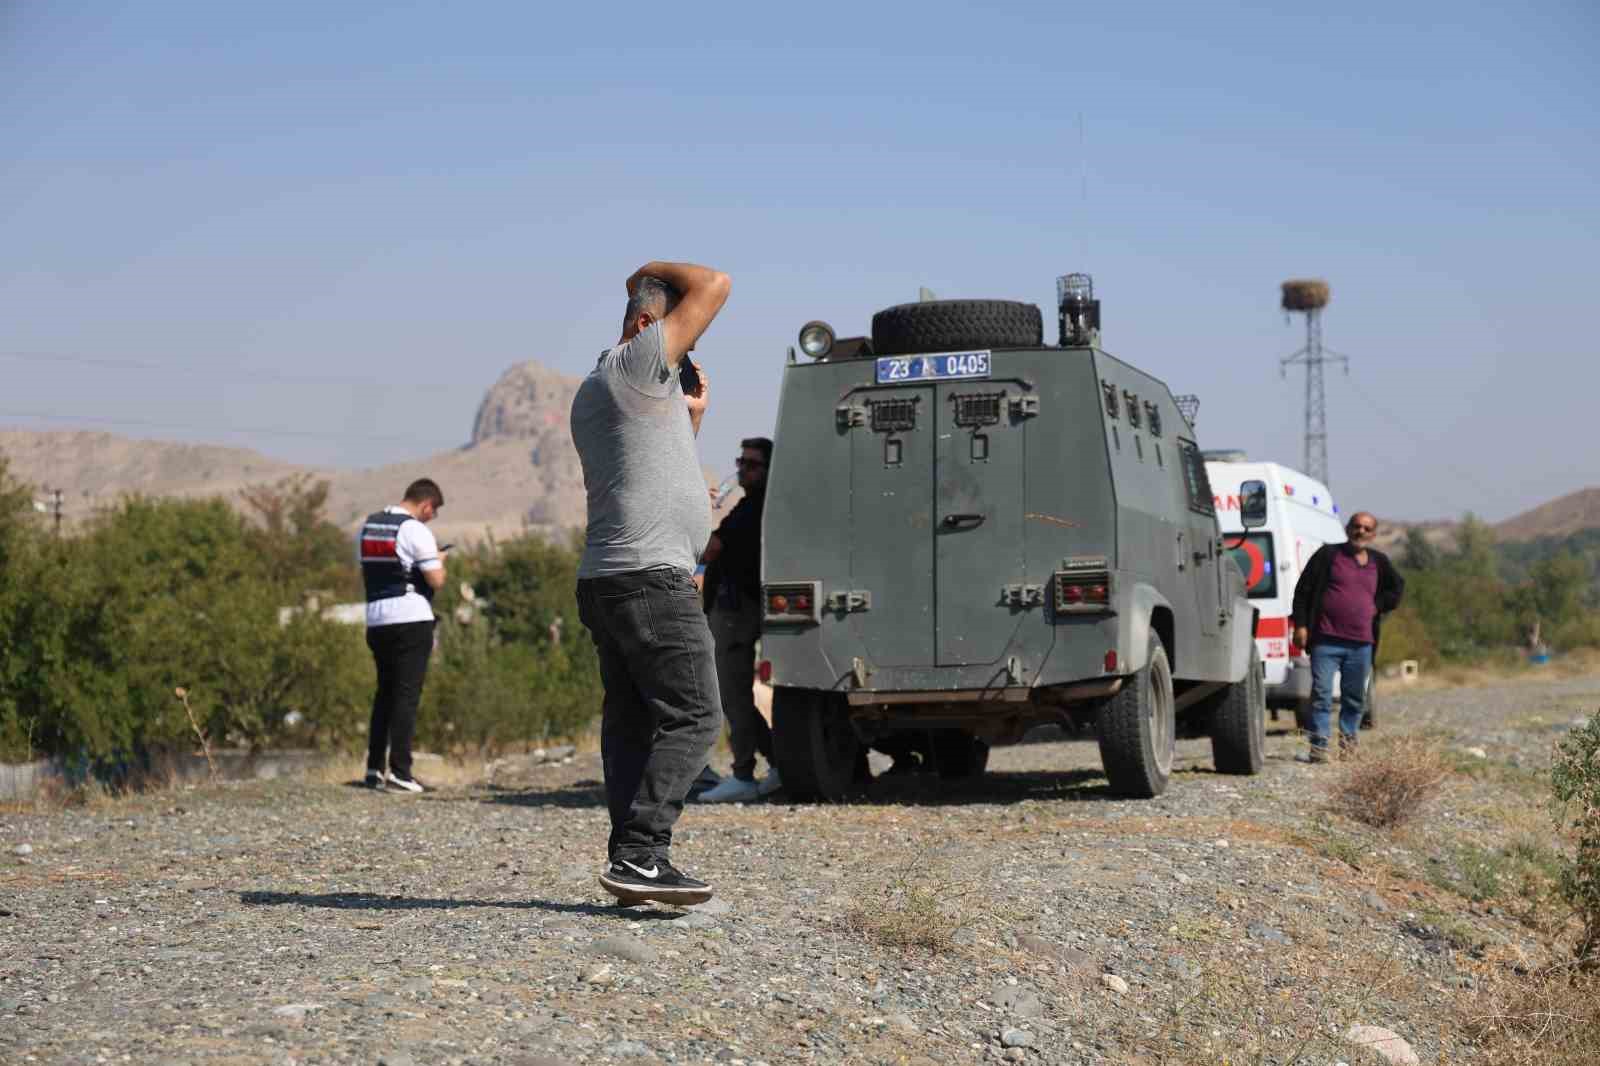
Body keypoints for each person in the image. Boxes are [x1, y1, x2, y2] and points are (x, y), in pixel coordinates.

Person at [570, 260, 731, 906]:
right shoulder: (634, 364)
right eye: (675, 335)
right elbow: (715, 283)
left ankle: (628, 864)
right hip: (649, 581)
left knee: (634, 726)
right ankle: (643, 850)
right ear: (643, 325)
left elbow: (656, 468)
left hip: (614, 579)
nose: (681, 350)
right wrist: (649, 270)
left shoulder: (611, 388)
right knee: (697, 713)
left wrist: (691, 415)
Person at [695, 437, 779, 803]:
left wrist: (703, 512)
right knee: (736, 695)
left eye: (752, 465)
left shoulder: (753, 511)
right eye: (741, 462)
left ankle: (743, 772)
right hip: (734, 610)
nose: (743, 470)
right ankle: (779, 764)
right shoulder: (751, 507)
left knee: (733, 696)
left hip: (735, 612)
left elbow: (710, 548)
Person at [1291, 510, 1405, 763]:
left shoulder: (1379, 562)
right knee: (1321, 694)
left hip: (1361, 644)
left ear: (1373, 534)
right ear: (1347, 528)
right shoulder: (1328, 555)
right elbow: (1303, 591)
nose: (1360, 531)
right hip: (1325, 640)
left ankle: (1348, 747)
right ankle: (1319, 748)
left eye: (1367, 528)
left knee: (1354, 698)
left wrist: (1379, 606)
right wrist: (1300, 625)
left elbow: (1397, 588)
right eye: (1356, 526)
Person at [359, 478, 448, 793]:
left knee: (384, 693)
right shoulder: (415, 530)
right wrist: (439, 560)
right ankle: (401, 772)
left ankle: (373, 768)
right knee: (406, 695)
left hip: (376, 619)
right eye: (433, 512)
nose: (431, 517)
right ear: (426, 505)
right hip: (410, 619)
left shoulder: (368, 525)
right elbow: (435, 580)